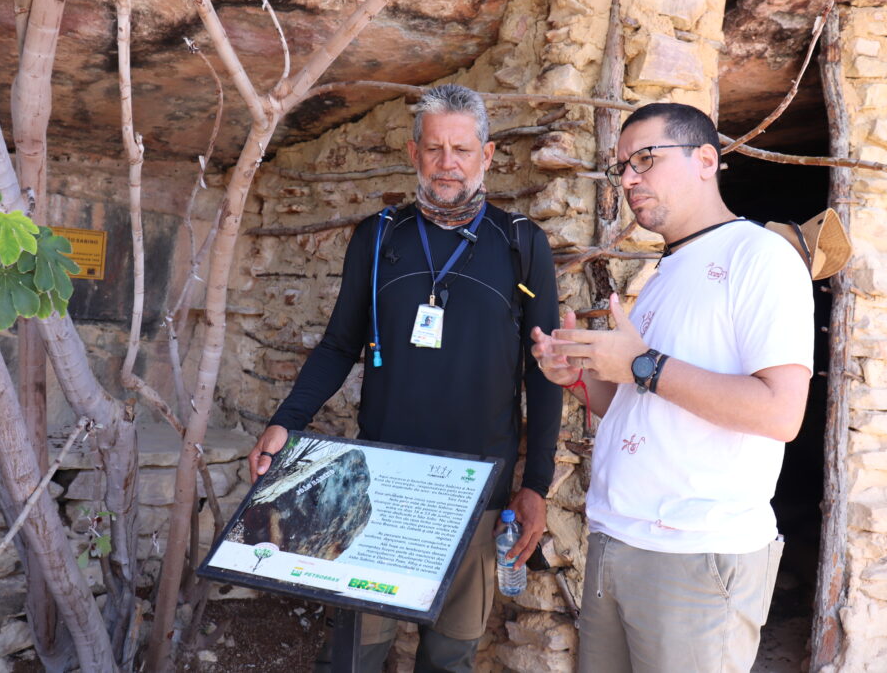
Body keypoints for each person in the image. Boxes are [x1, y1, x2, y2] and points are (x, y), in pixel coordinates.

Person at [248, 83, 563, 672]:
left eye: (463, 150)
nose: (449, 164)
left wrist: (536, 484)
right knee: (355, 656)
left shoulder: (521, 245)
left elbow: (543, 377)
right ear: (414, 153)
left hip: (477, 492)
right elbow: (340, 344)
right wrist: (285, 421)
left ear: (486, 157)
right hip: (380, 487)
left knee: (448, 658)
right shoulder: (378, 238)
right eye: (436, 148)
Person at [531, 103, 815, 673]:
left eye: (645, 159)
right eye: (622, 168)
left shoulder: (760, 258)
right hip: (616, 541)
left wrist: (643, 363)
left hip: (696, 557)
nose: (629, 178)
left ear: (706, 159)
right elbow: (636, 400)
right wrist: (579, 375)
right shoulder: (667, 271)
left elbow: (782, 413)